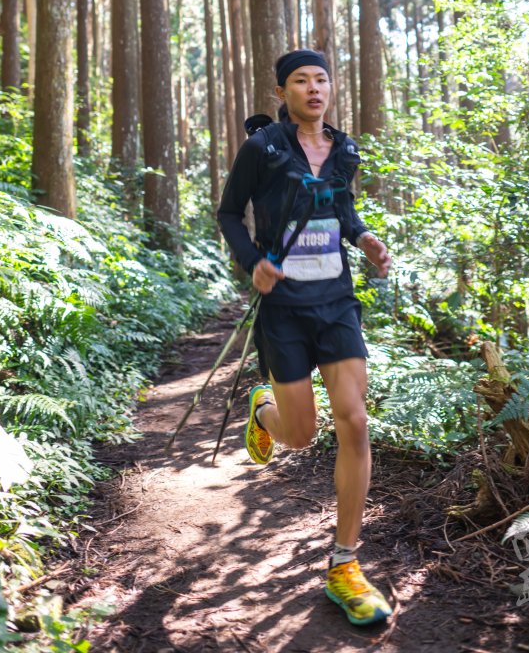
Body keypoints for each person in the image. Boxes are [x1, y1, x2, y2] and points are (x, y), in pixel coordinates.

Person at [217, 48, 393, 627]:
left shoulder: (345, 150)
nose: (314, 88)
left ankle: (344, 564)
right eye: (301, 80)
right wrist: (253, 263)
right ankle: (263, 410)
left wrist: (364, 238)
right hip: (284, 308)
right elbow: (228, 214)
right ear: (282, 93)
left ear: (330, 88)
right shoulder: (263, 148)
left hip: (336, 301)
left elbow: (342, 210)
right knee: (299, 436)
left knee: (355, 421)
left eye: (321, 79)